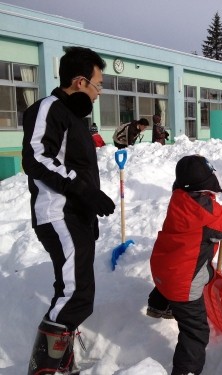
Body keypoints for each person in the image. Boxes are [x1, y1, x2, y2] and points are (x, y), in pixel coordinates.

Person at [22, 46, 116, 375]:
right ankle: (44, 369)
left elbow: (72, 167)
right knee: (76, 294)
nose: (98, 93)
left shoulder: (74, 119)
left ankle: (60, 362)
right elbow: (36, 157)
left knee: (76, 291)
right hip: (57, 213)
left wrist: (89, 200)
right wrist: (81, 189)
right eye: (97, 85)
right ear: (79, 82)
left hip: (75, 216)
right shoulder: (51, 109)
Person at [148, 154, 222, 375]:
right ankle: (186, 370)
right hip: (183, 283)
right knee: (196, 332)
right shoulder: (205, 212)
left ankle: (158, 304)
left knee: (169, 281)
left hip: (163, 267)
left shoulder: (179, 197)